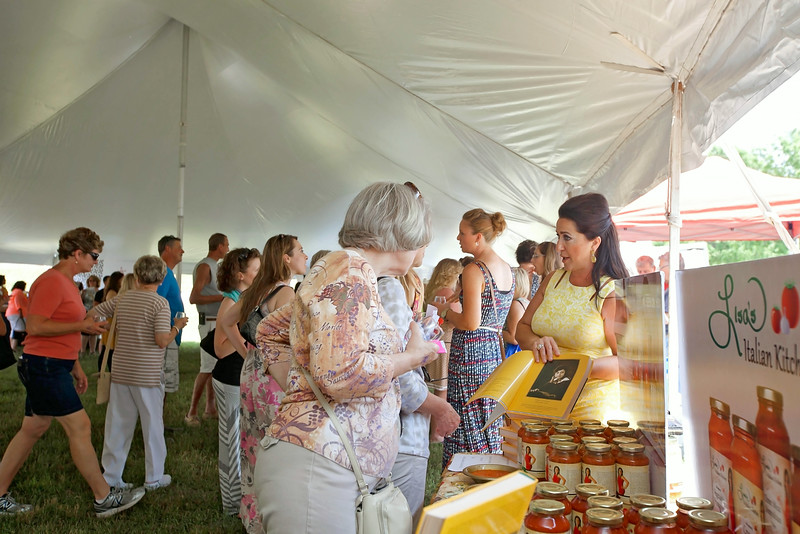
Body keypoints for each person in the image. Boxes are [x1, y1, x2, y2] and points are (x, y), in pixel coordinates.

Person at [253, 182, 439, 533]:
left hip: (331, 468)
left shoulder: (352, 272)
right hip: (319, 469)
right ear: (401, 231)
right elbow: (341, 374)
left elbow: (270, 330)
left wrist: (302, 385)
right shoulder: (349, 271)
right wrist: (412, 357)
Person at [0, 227, 145, 517]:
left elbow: (60, 328)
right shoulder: (52, 281)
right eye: (94, 256)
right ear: (77, 253)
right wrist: (82, 326)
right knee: (80, 427)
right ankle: (104, 497)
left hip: (52, 364)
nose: (96, 262)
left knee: (33, 428)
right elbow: (36, 326)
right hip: (45, 366)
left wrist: (75, 365)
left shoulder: (65, 281)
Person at [217, 234, 307, 533]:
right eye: (300, 251)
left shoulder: (258, 289)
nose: (305, 256)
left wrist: (247, 353)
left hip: (252, 372)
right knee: (278, 445)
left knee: (252, 442)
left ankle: (253, 515)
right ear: (286, 258)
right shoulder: (286, 293)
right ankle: (277, 516)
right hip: (274, 376)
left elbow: (227, 322)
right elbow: (295, 342)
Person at [517, 193, 629, 421]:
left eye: (567, 238)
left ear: (594, 243)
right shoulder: (553, 280)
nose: (558, 247)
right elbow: (522, 327)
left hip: (588, 414)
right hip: (541, 401)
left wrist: (575, 369)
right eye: (558, 236)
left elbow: (627, 363)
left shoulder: (610, 292)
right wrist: (535, 342)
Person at [91, 255, 188, 493]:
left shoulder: (122, 299)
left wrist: (103, 327)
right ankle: (153, 477)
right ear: (162, 278)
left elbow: (93, 313)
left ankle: (111, 476)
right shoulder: (160, 303)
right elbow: (161, 340)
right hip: (147, 375)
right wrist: (177, 327)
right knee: (153, 426)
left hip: (121, 372)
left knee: (117, 426)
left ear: (136, 276)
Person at [379, 248, 460, 526]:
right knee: (402, 518)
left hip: (389, 432)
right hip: (402, 435)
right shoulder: (389, 286)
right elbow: (398, 371)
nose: (425, 248)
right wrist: (439, 407)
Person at [434, 208, 514, 468]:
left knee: (466, 415)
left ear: (478, 237)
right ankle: (490, 468)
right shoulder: (506, 269)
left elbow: (470, 323)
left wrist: (445, 311)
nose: (458, 238)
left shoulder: (474, 270)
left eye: (462, 233)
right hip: (492, 351)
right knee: (486, 414)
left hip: (470, 352)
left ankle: (462, 473)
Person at [210, 247, 260, 516]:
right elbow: (219, 349)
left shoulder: (244, 298)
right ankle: (231, 504)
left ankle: (241, 497)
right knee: (230, 442)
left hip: (240, 377)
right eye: (256, 269)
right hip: (229, 378)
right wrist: (243, 339)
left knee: (242, 439)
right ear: (241, 275)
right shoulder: (230, 302)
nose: (260, 273)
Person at [185, 233, 229, 426]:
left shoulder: (214, 266)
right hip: (209, 322)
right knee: (206, 368)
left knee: (213, 367)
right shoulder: (205, 266)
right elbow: (194, 297)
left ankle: (210, 408)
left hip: (216, 321)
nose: (228, 248)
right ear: (219, 246)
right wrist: (222, 298)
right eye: (226, 245)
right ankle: (191, 412)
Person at [422, 258, 463, 399]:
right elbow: (457, 320)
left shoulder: (433, 290)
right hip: (446, 340)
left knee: (433, 385)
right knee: (442, 387)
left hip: (435, 338)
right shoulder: (448, 293)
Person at [156, 236, 185, 400]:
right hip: (165, 334)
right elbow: (157, 302)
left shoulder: (167, 272)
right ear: (167, 249)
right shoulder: (163, 272)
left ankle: (158, 415)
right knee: (162, 380)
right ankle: (157, 415)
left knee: (164, 380)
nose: (182, 251)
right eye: (178, 247)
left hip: (170, 333)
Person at [503, 267, 531, 357]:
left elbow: (514, 338)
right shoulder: (527, 303)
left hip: (511, 353)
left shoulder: (515, 304)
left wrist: (495, 331)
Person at [80, 275, 101, 355]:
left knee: (93, 332)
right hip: (86, 312)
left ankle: (92, 351)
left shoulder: (99, 291)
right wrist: (82, 294)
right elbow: (81, 301)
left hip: (95, 312)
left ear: (97, 282)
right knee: (84, 331)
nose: (91, 282)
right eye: (90, 281)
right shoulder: (85, 291)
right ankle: (82, 350)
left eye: (93, 281)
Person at [5, 281, 28, 350]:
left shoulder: (14, 292)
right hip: (17, 313)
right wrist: (20, 311)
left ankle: (11, 346)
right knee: (18, 330)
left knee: (14, 330)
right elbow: (17, 302)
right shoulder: (19, 292)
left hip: (11, 313)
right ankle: (13, 347)